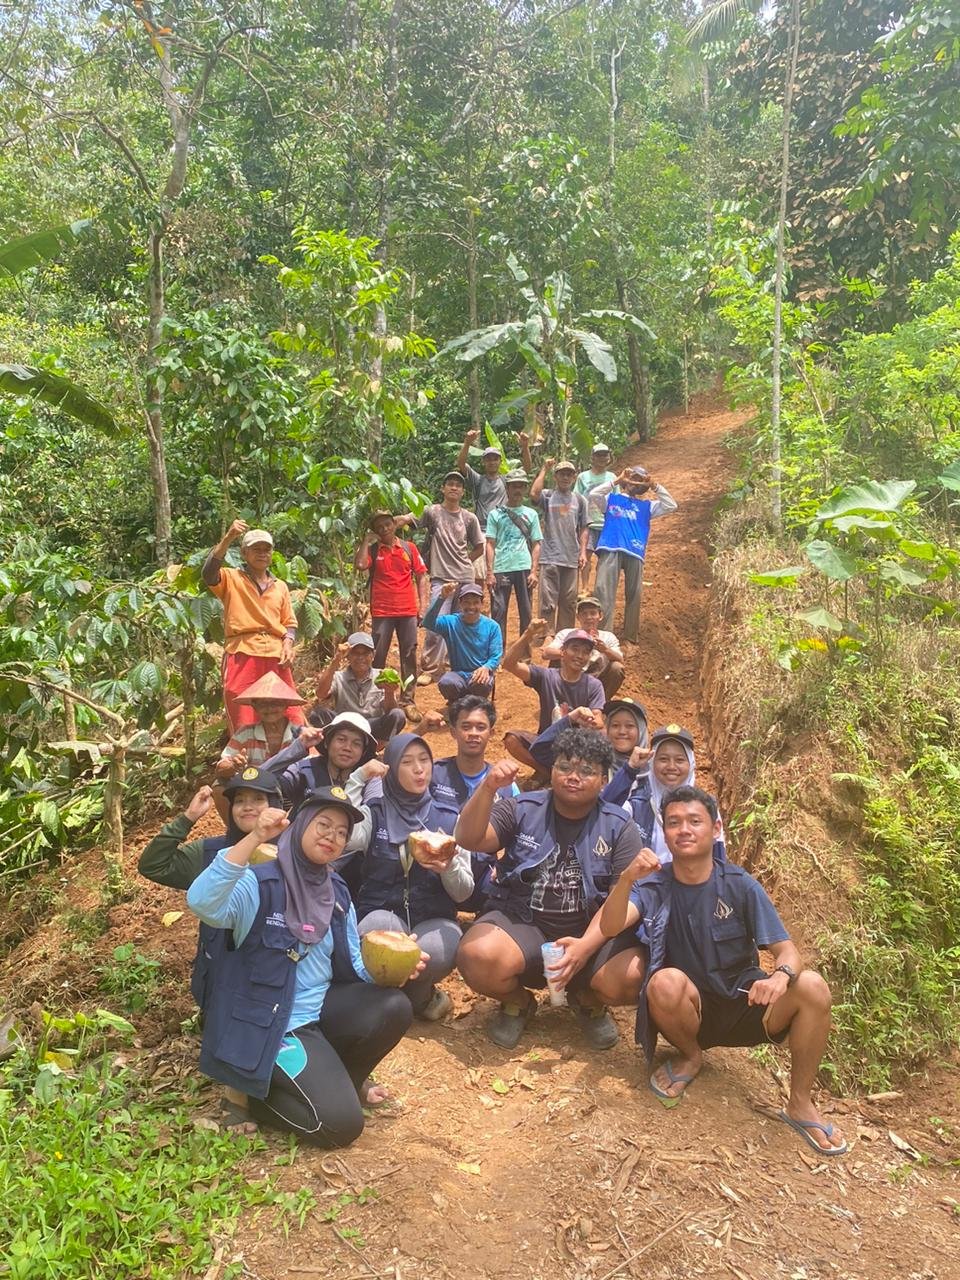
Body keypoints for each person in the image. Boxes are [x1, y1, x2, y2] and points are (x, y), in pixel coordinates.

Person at [599, 784, 846, 1156]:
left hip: (748, 1003)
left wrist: (780, 976)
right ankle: (690, 1055)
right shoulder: (653, 884)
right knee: (664, 982)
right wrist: (626, 880)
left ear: (715, 829)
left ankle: (800, 1102)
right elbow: (611, 926)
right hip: (690, 1010)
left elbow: (787, 951)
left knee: (812, 986)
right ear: (664, 831)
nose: (684, 829)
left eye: (694, 821)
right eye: (674, 822)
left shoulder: (739, 885)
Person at [186, 788, 420, 1146]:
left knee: (394, 1006)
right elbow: (202, 902)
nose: (332, 836)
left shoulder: (336, 891)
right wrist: (255, 837)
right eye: (323, 824)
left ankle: (344, 1081)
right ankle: (256, 1096)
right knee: (341, 1126)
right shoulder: (259, 883)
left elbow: (353, 960)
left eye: (342, 832)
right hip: (273, 1023)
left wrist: (389, 966)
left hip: (318, 1010)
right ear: (299, 826)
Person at [454, 727, 648, 1050]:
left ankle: (587, 999)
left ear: (604, 780)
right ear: (552, 770)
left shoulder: (619, 826)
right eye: (564, 766)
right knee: (477, 955)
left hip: (591, 936)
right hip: (523, 925)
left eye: (587, 771)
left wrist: (585, 946)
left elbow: (628, 901)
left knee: (633, 975)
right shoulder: (522, 807)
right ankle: (518, 1002)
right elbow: (469, 838)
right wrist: (488, 789)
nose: (573, 776)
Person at [354, 734, 474, 1022]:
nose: (419, 769)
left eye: (424, 760)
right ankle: (406, 1001)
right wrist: (357, 780)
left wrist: (449, 866)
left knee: (441, 946)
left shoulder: (449, 818)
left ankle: (415, 995)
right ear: (391, 769)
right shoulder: (375, 812)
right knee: (374, 929)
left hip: (431, 917)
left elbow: (464, 892)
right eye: (407, 762)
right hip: (384, 912)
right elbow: (343, 840)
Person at [202, 520, 303, 731]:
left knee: (288, 707)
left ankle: (296, 757)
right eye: (256, 549)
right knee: (240, 705)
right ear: (244, 553)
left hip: (276, 653)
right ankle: (244, 757)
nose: (262, 553)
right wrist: (228, 537)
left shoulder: (280, 586)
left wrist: (288, 644)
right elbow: (208, 574)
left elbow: (290, 623)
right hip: (242, 650)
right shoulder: (231, 577)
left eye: (267, 549)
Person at [428, 695, 521, 912]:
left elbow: (519, 832)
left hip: (484, 873)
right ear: (453, 731)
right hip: (437, 870)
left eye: (481, 727)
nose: (473, 734)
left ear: (492, 733)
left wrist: (505, 865)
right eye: (466, 726)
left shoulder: (505, 783)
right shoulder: (433, 775)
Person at [139, 767, 282, 891]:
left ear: (274, 804)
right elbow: (153, 866)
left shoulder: (293, 850)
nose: (247, 807)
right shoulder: (210, 852)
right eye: (239, 801)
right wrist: (188, 817)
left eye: (258, 799)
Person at [603, 725, 726, 868]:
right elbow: (602, 814)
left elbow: (718, 858)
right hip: (642, 886)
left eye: (680, 760)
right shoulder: (636, 801)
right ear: (652, 762)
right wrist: (629, 770)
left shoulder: (706, 806)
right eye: (663, 759)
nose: (671, 766)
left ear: (691, 764)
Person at [401, 473, 484, 681]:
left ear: (463, 492)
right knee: (435, 623)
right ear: (443, 488)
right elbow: (408, 520)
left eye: (458, 485)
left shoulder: (469, 518)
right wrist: (385, 522)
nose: (454, 488)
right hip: (441, 577)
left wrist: (465, 561)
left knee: (461, 624)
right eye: (450, 484)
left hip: (465, 578)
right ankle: (430, 668)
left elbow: (480, 547)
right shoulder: (433, 512)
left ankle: (452, 665)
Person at [501, 621, 605, 775]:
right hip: (546, 743)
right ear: (562, 651)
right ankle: (546, 773)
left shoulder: (594, 685)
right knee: (512, 739)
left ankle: (564, 772)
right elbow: (509, 664)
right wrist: (528, 635)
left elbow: (599, 722)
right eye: (574, 649)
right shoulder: (546, 676)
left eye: (585, 652)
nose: (579, 656)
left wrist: (587, 719)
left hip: (577, 747)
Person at [590, 465, 678, 643]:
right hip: (610, 547)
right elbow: (594, 495)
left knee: (635, 594)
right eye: (633, 478)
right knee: (603, 591)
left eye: (640, 479)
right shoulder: (611, 499)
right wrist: (616, 480)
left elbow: (671, 505)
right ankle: (602, 635)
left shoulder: (647, 506)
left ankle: (631, 637)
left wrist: (655, 486)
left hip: (635, 551)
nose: (635, 482)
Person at [356, 510, 428, 697]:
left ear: (394, 524)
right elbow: (361, 565)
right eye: (379, 527)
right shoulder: (373, 550)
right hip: (382, 612)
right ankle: (376, 696)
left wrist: (423, 607)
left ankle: (408, 698)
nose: (385, 529)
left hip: (407, 610)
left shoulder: (409, 548)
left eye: (388, 524)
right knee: (378, 655)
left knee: (409, 655)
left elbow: (421, 576)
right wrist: (366, 541)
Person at [213, 673, 305, 814]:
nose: (269, 709)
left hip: (290, 792)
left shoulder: (300, 734)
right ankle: (237, 834)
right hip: (254, 792)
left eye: (275, 703)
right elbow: (221, 767)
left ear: (286, 705)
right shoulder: (245, 734)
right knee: (219, 786)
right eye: (263, 704)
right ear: (255, 707)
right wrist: (232, 765)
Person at [262, 712, 380, 812]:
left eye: (356, 744)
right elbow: (259, 779)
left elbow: (374, 817)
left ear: (363, 752)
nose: (347, 748)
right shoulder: (306, 769)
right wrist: (298, 747)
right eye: (341, 739)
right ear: (327, 742)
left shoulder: (369, 779)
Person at [313, 633, 406, 742]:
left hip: (371, 726)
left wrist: (389, 692)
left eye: (365, 653)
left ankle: (374, 749)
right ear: (347, 656)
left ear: (373, 655)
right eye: (355, 653)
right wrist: (336, 660)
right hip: (344, 725)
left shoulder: (382, 676)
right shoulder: (338, 677)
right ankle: (334, 746)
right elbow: (321, 694)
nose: (360, 657)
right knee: (318, 714)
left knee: (398, 715)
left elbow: (390, 710)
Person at [530, 458, 588, 633]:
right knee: (547, 601)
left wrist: (583, 552)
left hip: (571, 558)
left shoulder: (580, 500)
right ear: (555, 476)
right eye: (562, 474)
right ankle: (546, 636)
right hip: (550, 557)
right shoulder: (548, 496)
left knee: (568, 603)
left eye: (569, 474)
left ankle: (565, 637)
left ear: (574, 477)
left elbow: (584, 527)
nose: (565, 477)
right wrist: (544, 469)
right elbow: (533, 494)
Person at [485, 470, 542, 646]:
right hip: (501, 568)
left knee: (526, 612)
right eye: (514, 486)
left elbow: (536, 544)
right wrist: (489, 572)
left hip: (524, 567)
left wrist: (534, 571)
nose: (517, 490)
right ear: (507, 488)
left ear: (525, 489)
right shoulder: (495, 514)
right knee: (498, 612)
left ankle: (524, 654)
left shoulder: (531, 514)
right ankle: (497, 654)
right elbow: (490, 544)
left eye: (521, 486)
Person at [421, 581, 503, 703]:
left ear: (482, 604)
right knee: (446, 683)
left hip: (480, 673)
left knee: (482, 683)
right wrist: (441, 598)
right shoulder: (451, 622)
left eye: (476, 602)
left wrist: (486, 667)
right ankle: (456, 702)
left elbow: (496, 656)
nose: (471, 607)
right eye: (467, 602)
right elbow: (428, 623)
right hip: (458, 674)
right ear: (460, 603)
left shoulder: (492, 626)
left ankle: (477, 703)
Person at [529, 698, 650, 780]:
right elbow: (540, 751)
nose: (622, 732)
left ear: (642, 730)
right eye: (615, 725)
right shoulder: (595, 757)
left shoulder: (655, 768)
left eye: (630, 726)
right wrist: (569, 720)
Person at [541, 595, 625, 699]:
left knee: (617, 668)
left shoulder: (608, 637)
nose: (588, 617)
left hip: (595, 681)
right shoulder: (566, 633)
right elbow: (546, 654)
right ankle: (557, 700)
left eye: (593, 613)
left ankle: (600, 704)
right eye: (584, 614)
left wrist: (605, 649)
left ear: (600, 616)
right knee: (557, 658)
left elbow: (620, 659)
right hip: (567, 679)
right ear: (578, 617)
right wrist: (568, 652)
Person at [455, 430, 535, 531]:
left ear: (500, 462)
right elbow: (461, 464)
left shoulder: (506, 480)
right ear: (483, 462)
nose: (492, 462)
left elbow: (526, 469)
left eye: (495, 459)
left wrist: (525, 446)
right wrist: (467, 443)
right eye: (488, 459)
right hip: (483, 528)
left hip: (503, 527)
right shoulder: (477, 480)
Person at [575, 443, 617, 590]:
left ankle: (601, 587)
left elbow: (616, 500)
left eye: (605, 454)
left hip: (606, 523)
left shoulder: (612, 477)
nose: (602, 458)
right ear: (592, 457)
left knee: (605, 559)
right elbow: (577, 498)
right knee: (585, 556)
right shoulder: (583, 477)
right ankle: (585, 588)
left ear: (609, 457)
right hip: (589, 523)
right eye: (598, 455)